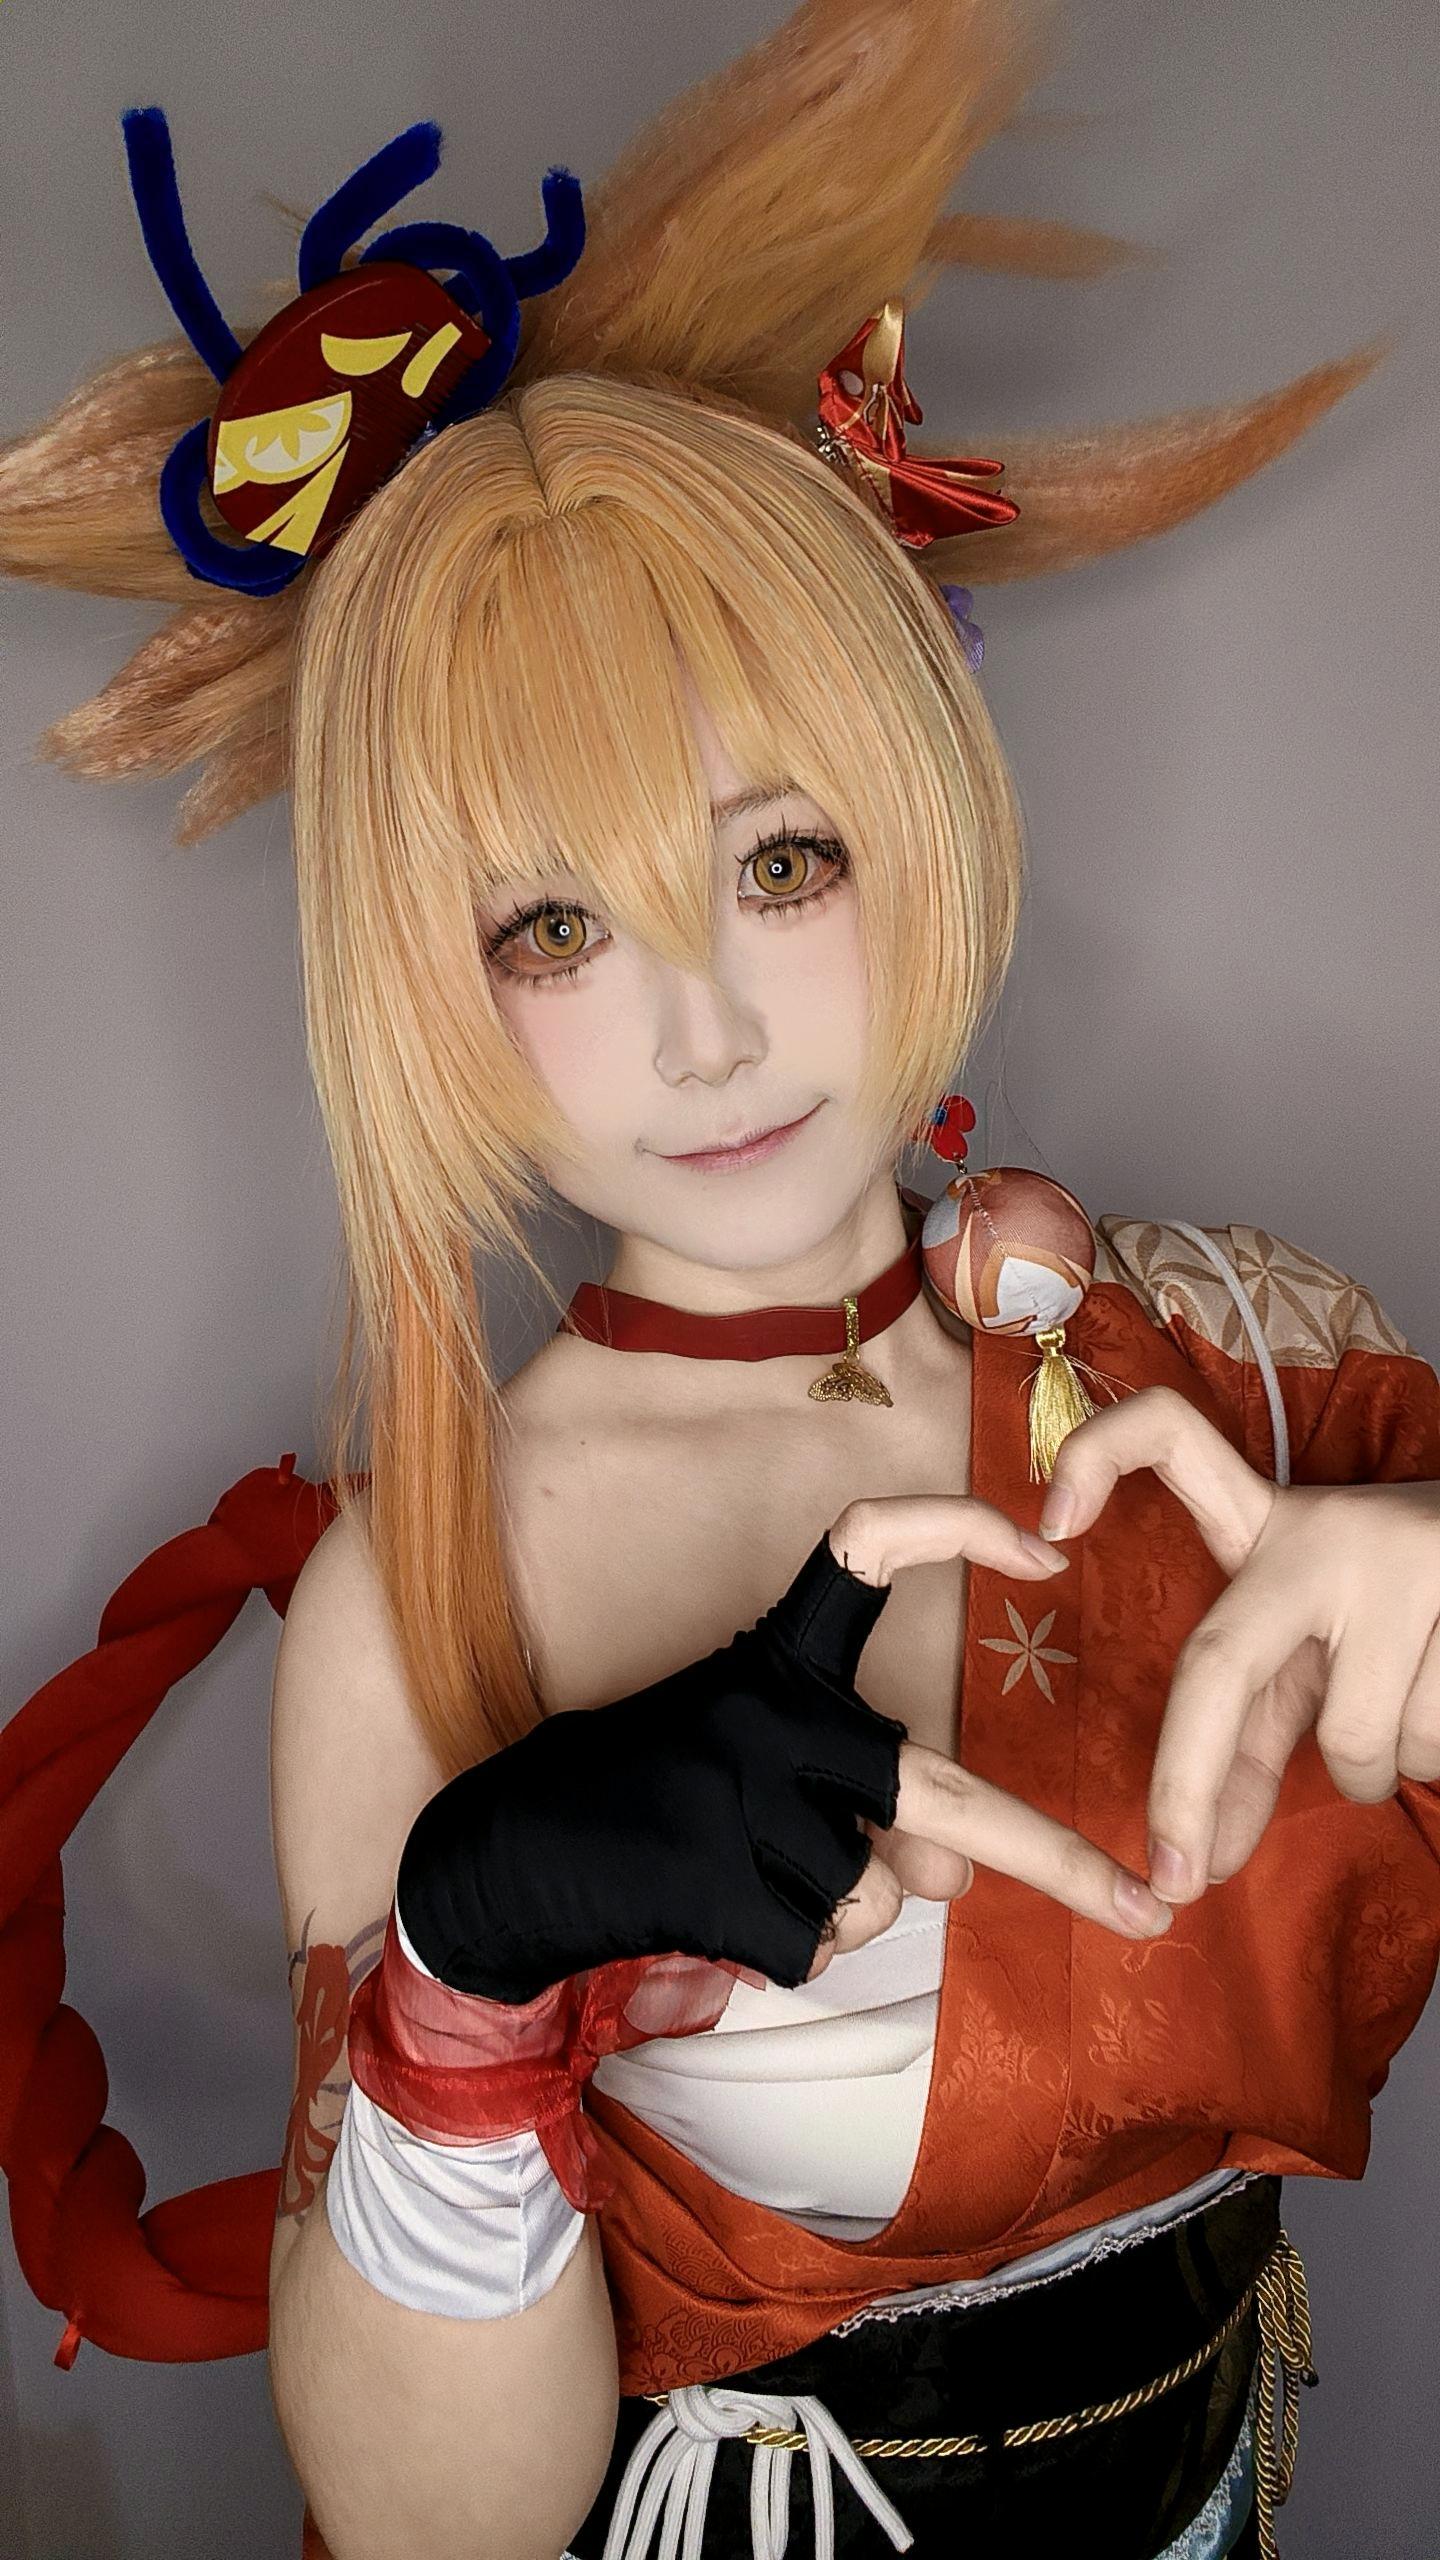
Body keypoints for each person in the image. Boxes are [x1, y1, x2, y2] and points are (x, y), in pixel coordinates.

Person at [2, 7, 1438, 2559]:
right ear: (416, 980)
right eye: (553, 924)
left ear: (923, 794)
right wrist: (464, 1980)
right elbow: (431, 2526)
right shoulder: (429, 1595)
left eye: (779, 862)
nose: (704, 1028)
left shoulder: (1248, 1350)